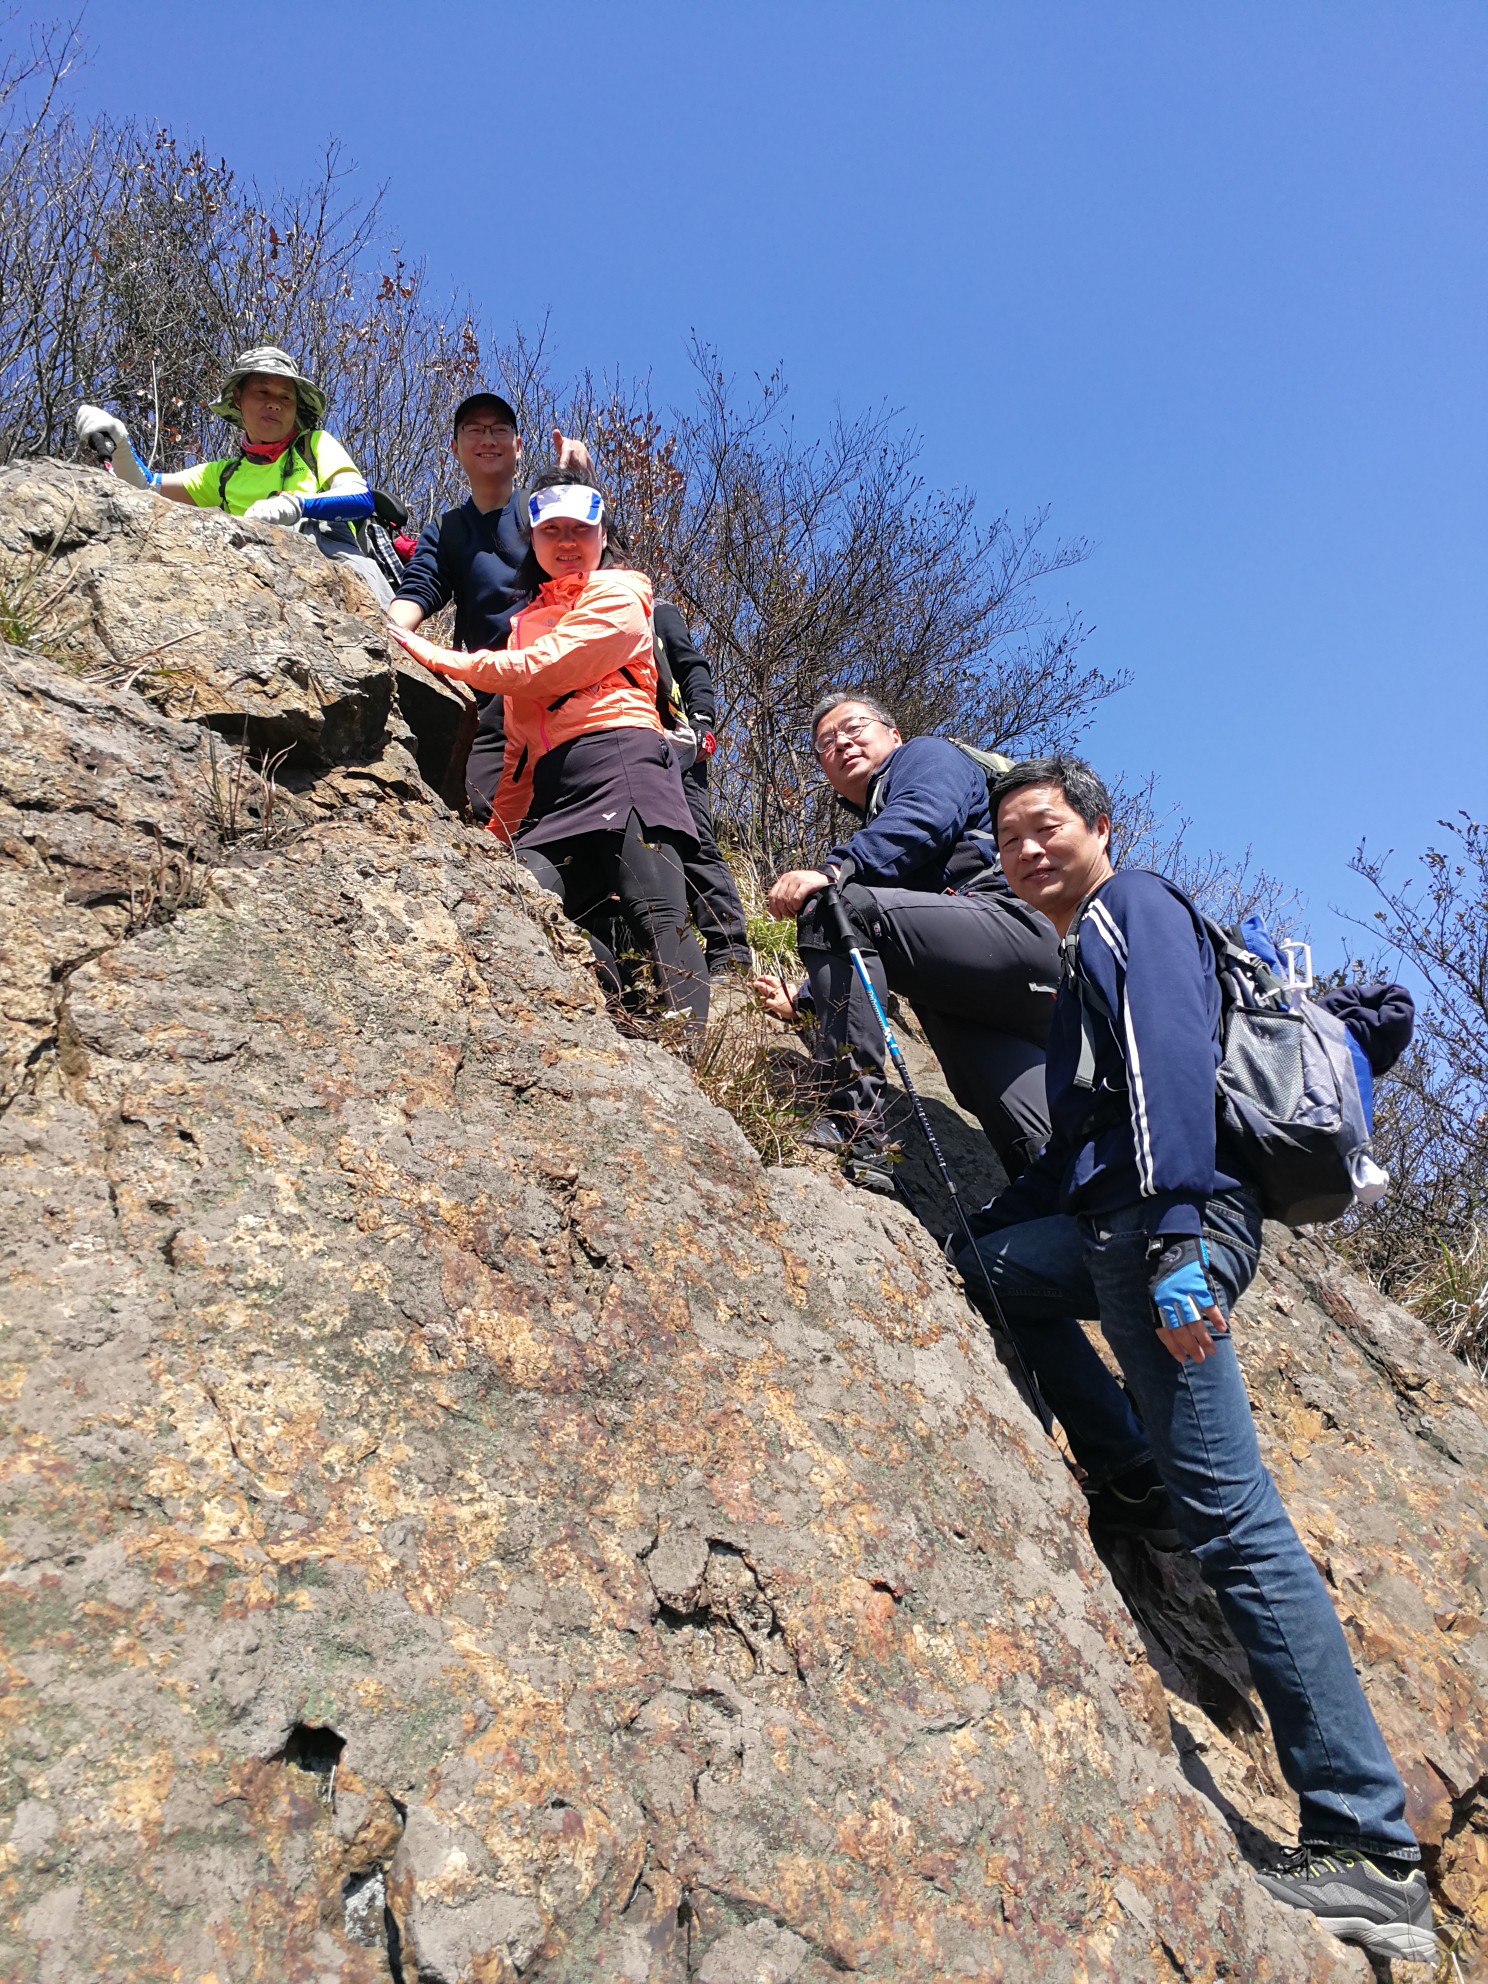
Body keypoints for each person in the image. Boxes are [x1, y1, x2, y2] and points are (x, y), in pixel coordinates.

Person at [952, 753, 1434, 1966]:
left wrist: (1175, 1233)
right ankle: (1130, 1473)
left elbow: (1170, 1061)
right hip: (1113, 1233)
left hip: (1170, 1230)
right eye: (1009, 840)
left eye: (1046, 827)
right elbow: (1085, 1143)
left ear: (1100, 827)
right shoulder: (1082, 955)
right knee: (999, 1279)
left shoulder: (1138, 906)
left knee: (1237, 1524)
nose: (1027, 852)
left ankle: (1367, 1847)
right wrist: (998, 1224)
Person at [385, 469, 709, 1034]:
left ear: (603, 537)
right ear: (530, 540)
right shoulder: (525, 622)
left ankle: (694, 1064)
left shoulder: (622, 593)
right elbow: (520, 749)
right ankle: (615, 1022)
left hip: (623, 761)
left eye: (580, 531)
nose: (566, 543)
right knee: (516, 897)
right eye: (551, 530)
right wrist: (495, 840)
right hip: (558, 791)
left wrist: (436, 655)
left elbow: (545, 668)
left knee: (660, 918)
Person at [753, 694, 1059, 1192]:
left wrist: (834, 870)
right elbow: (893, 949)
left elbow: (927, 816)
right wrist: (807, 1000)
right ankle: (1062, 1217)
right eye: (826, 744)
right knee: (1029, 1131)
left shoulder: (926, 755)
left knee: (834, 904)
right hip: (996, 997)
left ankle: (855, 1123)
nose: (842, 742)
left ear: (893, 735)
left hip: (1015, 928)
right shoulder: (881, 828)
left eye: (854, 727)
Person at [386, 390, 590, 816]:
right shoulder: (447, 528)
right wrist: (389, 636)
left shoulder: (539, 512)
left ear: (518, 446)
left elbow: (589, 556)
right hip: (494, 688)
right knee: (486, 808)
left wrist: (580, 482)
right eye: (474, 430)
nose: (488, 439)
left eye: (499, 429)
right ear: (455, 447)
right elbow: (420, 588)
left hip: (561, 672)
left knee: (572, 794)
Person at [75, 345, 393, 605]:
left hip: (344, 577)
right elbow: (146, 488)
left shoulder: (314, 446)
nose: (275, 404)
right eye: (262, 392)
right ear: (238, 399)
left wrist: (298, 506)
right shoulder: (222, 475)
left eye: (286, 397)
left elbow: (359, 498)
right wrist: (119, 447)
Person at [653, 599, 753, 982]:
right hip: (619, 742)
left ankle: (730, 955)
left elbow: (692, 665)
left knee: (695, 842)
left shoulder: (653, 608)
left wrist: (702, 723)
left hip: (676, 741)